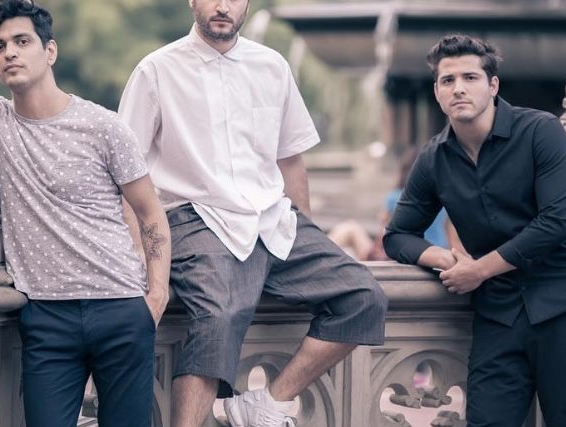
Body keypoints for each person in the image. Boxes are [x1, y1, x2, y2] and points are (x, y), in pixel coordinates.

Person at [0, 1, 171, 426]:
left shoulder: (104, 126)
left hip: (119, 307)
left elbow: (150, 214)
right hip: (47, 317)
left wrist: (156, 294)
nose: (9, 52)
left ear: (50, 51)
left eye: (22, 42)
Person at [118, 1, 387, 426]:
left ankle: (267, 404)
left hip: (272, 217)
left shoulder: (272, 66)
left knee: (365, 297)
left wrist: (307, 232)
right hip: (195, 215)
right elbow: (127, 173)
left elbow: (290, 161)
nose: (223, 6)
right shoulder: (156, 70)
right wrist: (138, 255)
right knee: (218, 314)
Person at [383, 34, 566, 426]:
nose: (458, 88)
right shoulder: (434, 158)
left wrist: (479, 270)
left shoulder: (540, 131)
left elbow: (555, 222)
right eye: (447, 80)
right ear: (437, 92)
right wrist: (447, 260)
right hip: (500, 312)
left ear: (492, 85)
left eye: (470, 78)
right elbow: (396, 235)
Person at [328, 146, 458, 261]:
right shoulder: (442, 199)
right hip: (436, 255)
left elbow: (384, 234)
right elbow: (452, 239)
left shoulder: (396, 197)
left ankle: (320, 258)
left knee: (350, 228)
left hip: (400, 256)